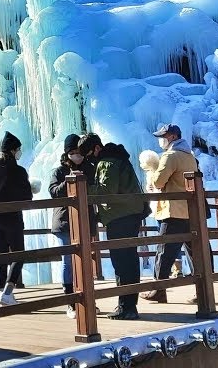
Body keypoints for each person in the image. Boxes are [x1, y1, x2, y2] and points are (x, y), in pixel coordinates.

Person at [139, 124, 199, 303]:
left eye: (163, 137)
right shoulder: (189, 156)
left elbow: (158, 182)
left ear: (172, 137)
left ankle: (159, 290)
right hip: (190, 211)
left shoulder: (170, 156)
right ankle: (203, 290)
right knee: (195, 252)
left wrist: (152, 173)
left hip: (172, 210)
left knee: (164, 252)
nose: (160, 140)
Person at [93, 139, 148, 320]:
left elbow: (106, 191)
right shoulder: (120, 159)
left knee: (121, 261)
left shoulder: (106, 162)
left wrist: (82, 187)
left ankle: (125, 306)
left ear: (96, 149)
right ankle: (130, 305)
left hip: (119, 217)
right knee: (130, 259)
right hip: (132, 214)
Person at [0, 131, 33, 306]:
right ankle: (7, 292)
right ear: (13, 150)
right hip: (12, 218)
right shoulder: (18, 171)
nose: (20, 152)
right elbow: (27, 197)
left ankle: (2, 292)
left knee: (2, 255)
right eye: (18, 149)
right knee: (18, 255)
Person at [48, 134, 92, 317]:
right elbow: (53, 192)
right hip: (65, 222)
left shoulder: (89, 168)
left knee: (85, 260)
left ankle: (87, 300)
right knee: (68, 261)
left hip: (84, 220)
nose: (76, 155)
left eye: (79, 152)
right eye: (72, 152)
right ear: (67, 153)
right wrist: (69, 181)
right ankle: (70, 301)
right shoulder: (59, 171)